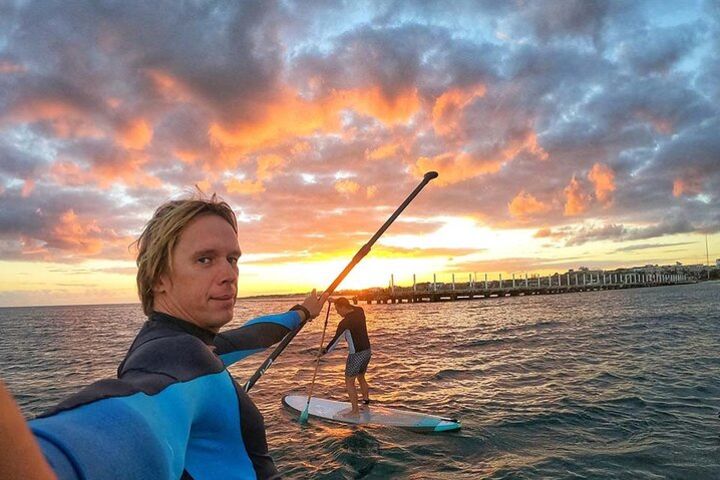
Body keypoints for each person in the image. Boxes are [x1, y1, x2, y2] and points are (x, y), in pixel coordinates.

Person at [0, 194, 328, 480]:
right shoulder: (176, 358)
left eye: (232, 259)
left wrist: (302, 312)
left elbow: (249, 337)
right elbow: (130, 422)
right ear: (159, 278)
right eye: (205, 259)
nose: (229, 274)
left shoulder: (183, 342)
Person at [321, 297, 371, 417]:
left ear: (343, 307)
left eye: (338, 309)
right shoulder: (360, 311)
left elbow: (335, 341)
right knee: (361, 377)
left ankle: (355, 412)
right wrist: (335, 301)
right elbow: (350, 306)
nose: (337, 313)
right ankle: (365, 402)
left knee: (349, 381)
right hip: (367, 351)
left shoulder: (344, 323)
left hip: (356, 355)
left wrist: (323, 352)